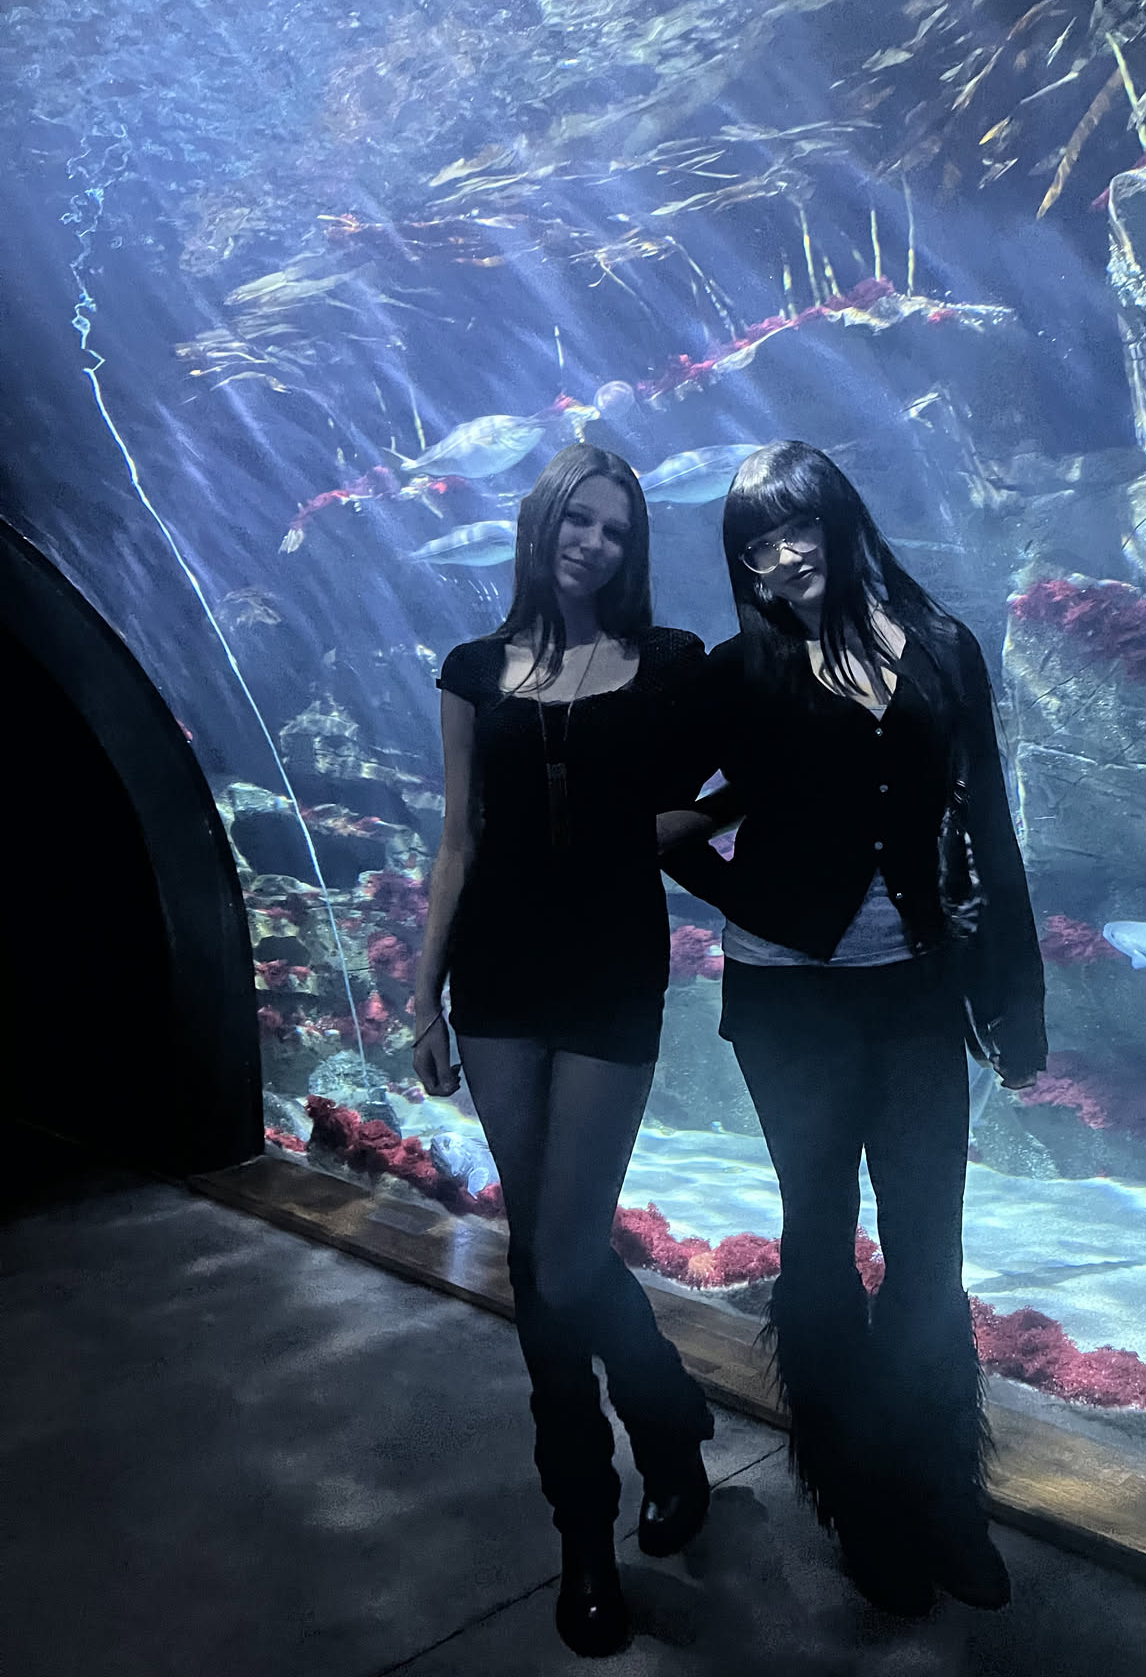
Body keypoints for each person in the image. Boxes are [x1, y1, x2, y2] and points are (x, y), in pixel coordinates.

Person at [662, 440, 1046, 1616]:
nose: (782, 560)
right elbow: (661, 820)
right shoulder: (739, 672)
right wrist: (754, 897)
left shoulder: (940, 646)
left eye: (796, 531)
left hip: (918, 991)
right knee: (821, 1249)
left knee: (931, 1252)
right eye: (755, 548)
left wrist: (1017, 997)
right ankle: (857, 1504)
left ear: (839, 518)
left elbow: (987, 817)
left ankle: (946, 1497)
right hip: (792, 1006)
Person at [411, 443, 715, 1659]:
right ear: (539, 525)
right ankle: (604, 1504)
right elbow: (457, 837)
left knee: (566, 1253)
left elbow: (726, 785)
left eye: (616, 529)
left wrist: (651, 835)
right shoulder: (472, 668)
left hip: (608, 974)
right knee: (545, 1259)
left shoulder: (668, 662)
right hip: (496, 977)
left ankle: (647, 1444)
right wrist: (422, 996)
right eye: (577, 520)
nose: (593, 543)